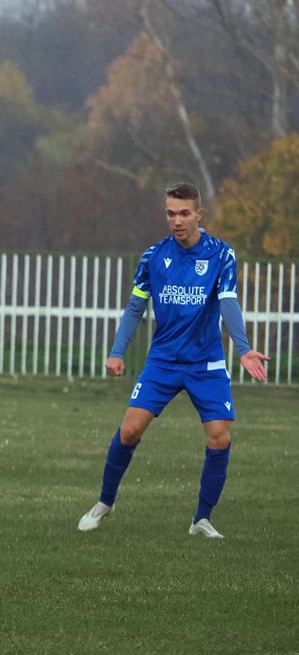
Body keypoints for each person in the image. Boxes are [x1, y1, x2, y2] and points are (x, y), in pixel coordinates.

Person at [77, 182, 269, 539]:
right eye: (170, 213)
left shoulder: (221, 255)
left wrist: (243, 349)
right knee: (130, 429)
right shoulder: (153, 256)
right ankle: (104, 502)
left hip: (205, 363)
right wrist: (117, 351)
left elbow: (229, 303)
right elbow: (135, 306)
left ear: (199, 214)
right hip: (163, 361)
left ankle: (202, 519)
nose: (176, 220)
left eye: (184, 213)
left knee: (219, 438)